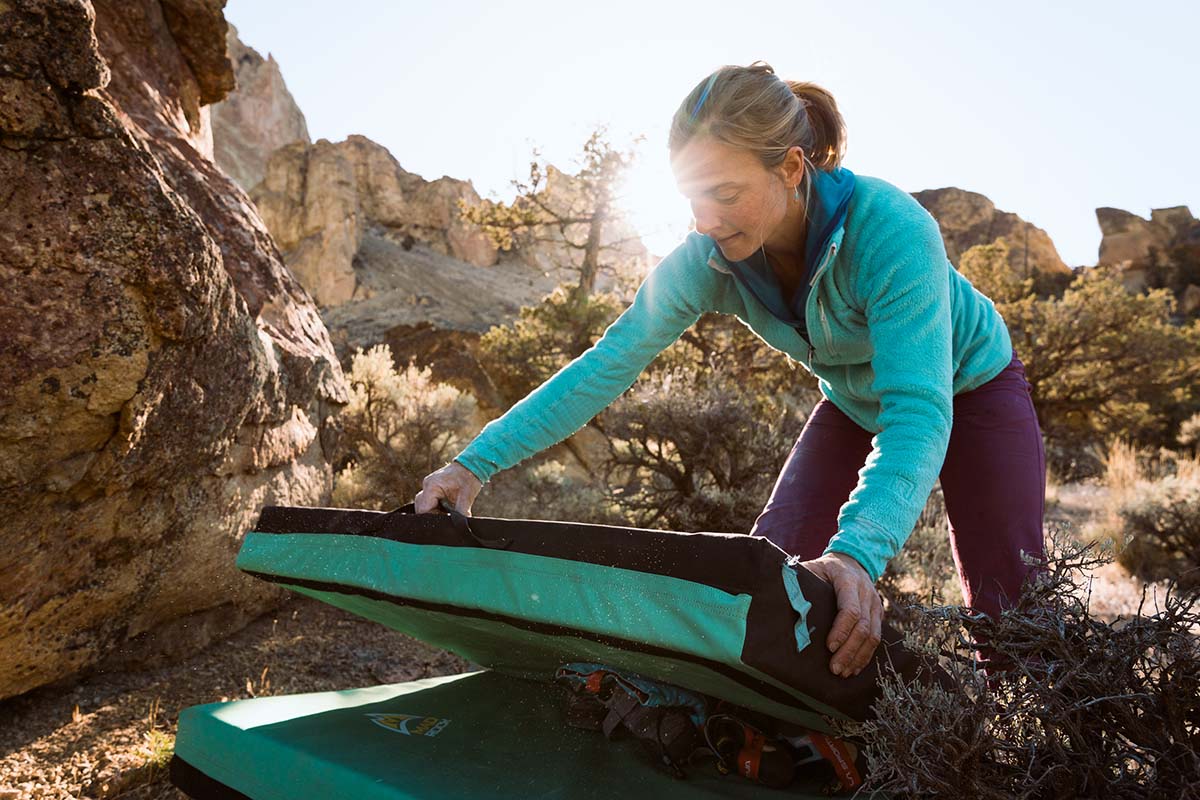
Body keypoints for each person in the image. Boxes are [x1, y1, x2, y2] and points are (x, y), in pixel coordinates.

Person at [415, 62, 1046, 680]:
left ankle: (1030, 749)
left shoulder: (892, 230)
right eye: (692, 197)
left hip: (975, 392)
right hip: (854, 405)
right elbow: (606, 365)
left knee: (1008, 610)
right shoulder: (706, 260)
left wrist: (856, 555)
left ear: (791, 169)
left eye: (725, 194)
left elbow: (918, 410)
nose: (705, 220)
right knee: (766, 580)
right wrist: (473, 463)